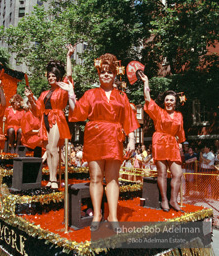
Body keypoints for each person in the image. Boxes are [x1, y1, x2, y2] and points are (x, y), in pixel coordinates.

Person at [59, 53, 139, 233]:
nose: (106, 75)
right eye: (103, 72)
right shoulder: (90, 94)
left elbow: (129, 118)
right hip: (95, 137)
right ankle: (97, 214)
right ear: (99, 74)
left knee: (112, 178)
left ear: (114, 74)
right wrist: (71, 93)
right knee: (95, 178)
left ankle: (113, 216)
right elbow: (78, 113)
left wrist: (132, 139)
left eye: (110, 72)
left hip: (114, 137)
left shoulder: (122, 96)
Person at [25, 45, 75, 189]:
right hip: (45, 120)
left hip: (57, 118)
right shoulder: (43, 94)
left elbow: (70, 75)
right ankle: (51, 178)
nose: (51, 78)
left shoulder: (62, 88)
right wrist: (30, 99)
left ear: (58, 77)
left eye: (53, 76)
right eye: (49, 76)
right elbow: (37, 111)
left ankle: (54, 179)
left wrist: (68, 56)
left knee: (53, 148)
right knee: (48, 150)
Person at [139, 71, 186, 213]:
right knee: (162, 173)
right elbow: (148, 100)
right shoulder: (158, 112)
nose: (169, 102)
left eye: (172, 100)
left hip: (172, 144)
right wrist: (146, 82)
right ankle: (164, 200)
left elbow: (181, 133)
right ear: (164, 101)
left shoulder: (179, 115)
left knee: (177, 174)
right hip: (159, 142)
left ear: (175, 102)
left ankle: (173, 199)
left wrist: (181, 146)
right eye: (167, 100)